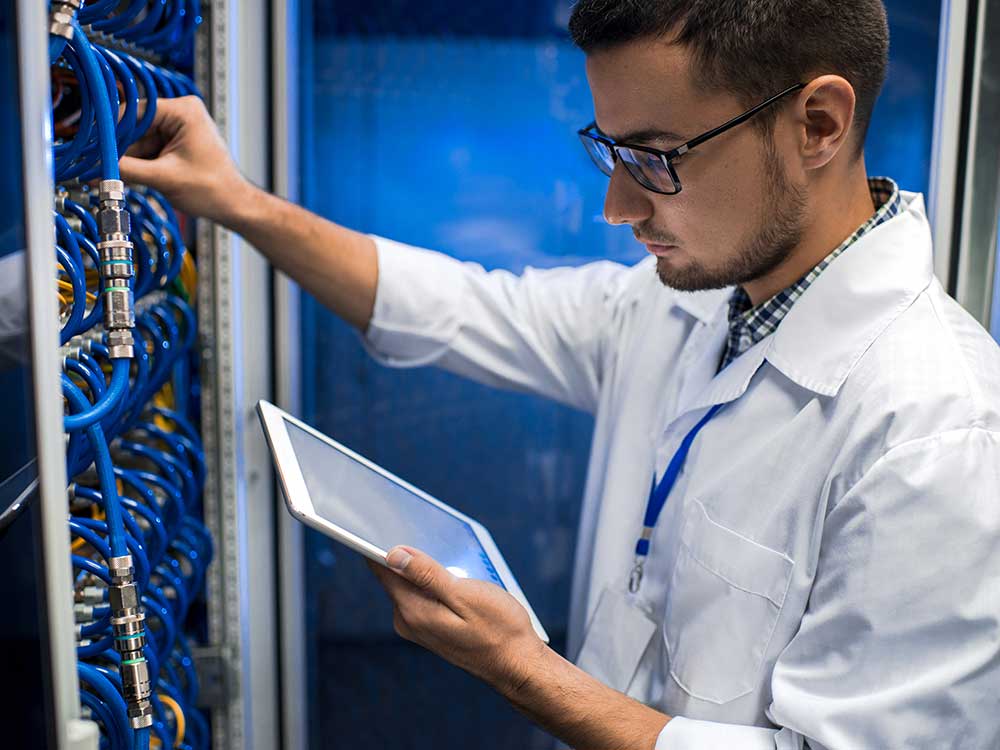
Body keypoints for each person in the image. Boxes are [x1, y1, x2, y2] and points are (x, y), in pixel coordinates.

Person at [120, 1, 1000, 747]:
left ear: (818, 124)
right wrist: (236, 202)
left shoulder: (938, 432)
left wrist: (522, 670)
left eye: (656, 158)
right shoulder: (684, 304)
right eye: (608, 150)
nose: (618, 206)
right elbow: (463, 307)